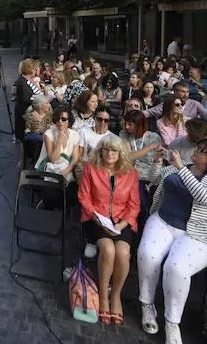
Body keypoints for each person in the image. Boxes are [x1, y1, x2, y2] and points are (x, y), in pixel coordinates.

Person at [137, 139, 207, 344]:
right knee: (148, 255)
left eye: (202, 151)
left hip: (198, 233)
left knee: (176, 268)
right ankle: (147, 304)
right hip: (164, 219)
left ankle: (172, 322)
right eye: (198, 148)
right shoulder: (179, 168)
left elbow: (204, 196)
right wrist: (158, 162)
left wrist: (181, 168)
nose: (196, 152)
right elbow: (153, 179)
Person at [77, 137, 140, 324]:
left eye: (114, 151)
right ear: (100, 151)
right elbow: (84, 198)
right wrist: (97, 218)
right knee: (108, 249)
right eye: (106, 150)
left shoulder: (131, 173)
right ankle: (104, 296)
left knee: (123, 252)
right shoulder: (91, 168)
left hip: (121, 220)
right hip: (96, 218)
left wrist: (122, 224)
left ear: (121, 153)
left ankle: (116, 295)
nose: (110, 154)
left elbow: (134, 205)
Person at [14, 58, 41, 145]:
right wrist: (38, 100)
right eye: (34, 69)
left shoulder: (28, 80)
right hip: (27, 114)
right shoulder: (23, 83)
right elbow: (26, 99)